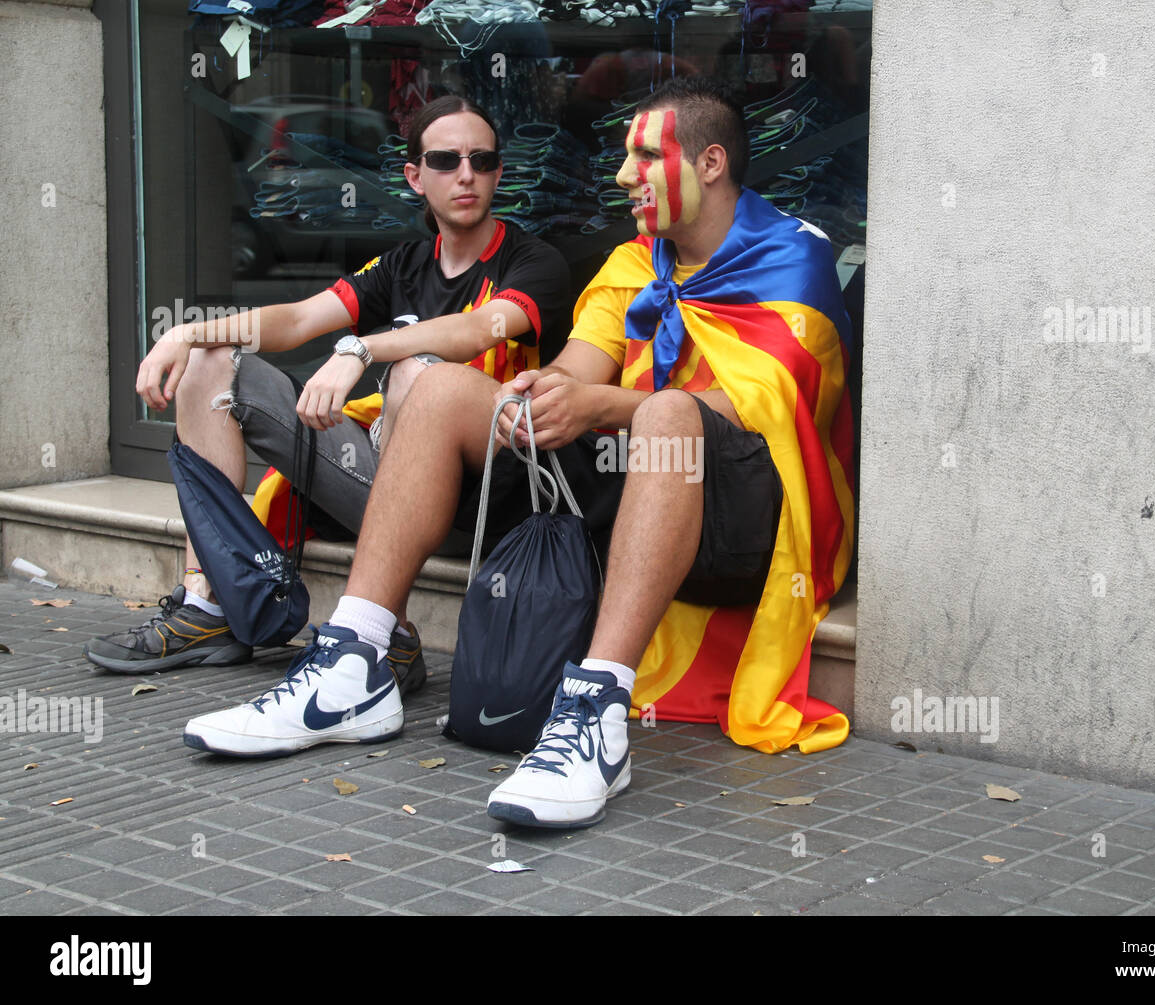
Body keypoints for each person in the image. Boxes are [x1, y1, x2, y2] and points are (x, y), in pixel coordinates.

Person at [181, 77, 856, 832]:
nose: (622, 176)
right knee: (441, 390)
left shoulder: (794, 258)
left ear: (709, 164)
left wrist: (603, 407)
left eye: (642, 157)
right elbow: (581, 365)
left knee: (668, 412)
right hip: (625, 495)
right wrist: (545, 392)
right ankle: (357, 661)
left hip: (743, 521)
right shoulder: (635, 264)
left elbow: (764, 412)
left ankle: (596, 710)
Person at [84, 96, 570, 698]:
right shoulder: (402, 265)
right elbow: (297, 320)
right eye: (445, 160)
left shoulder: (535, 262)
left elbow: (477, 330)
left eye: (482, 159)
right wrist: (188, 332)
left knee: (419, 373)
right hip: (385, 481)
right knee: (212, 364)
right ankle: (207, 606)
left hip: (479, 501)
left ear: (498, 171)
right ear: (416, 177)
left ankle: (382, 628)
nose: (466, 174)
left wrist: (362, 351)